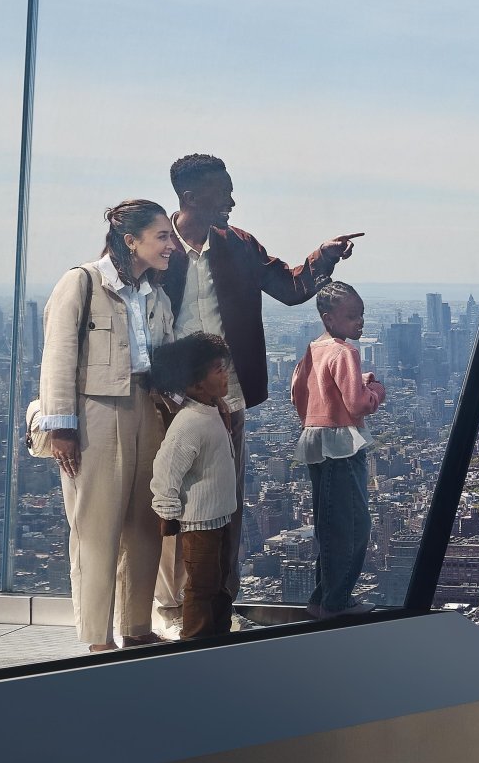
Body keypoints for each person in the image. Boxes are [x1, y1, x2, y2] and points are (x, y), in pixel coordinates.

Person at [153, 152, 358, 633]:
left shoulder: (239, 244)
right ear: (191, 197)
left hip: (229, 399)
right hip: (168, 398)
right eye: (222, 190)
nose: (232, 199)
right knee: (166, 502)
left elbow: (290, 287)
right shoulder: (160, 248)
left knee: (226, 504)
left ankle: (219, 607)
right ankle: (169, 608)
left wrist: (324, 255)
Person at [38, 199, 181, 650]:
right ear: (130, 239)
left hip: (148, 410)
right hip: (96, 414)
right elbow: (58, 354)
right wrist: (62, 427)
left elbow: (168, 357)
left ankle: (136, 629)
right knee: (95, 530)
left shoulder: (155, 295)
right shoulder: (82, 283)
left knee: (145, 525)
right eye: (162, 236)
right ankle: (97, 639)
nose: (170, 245)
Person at [290, 279, 385, 617]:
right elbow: (358, 405)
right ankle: (336, 603)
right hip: (342, 445)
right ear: (329, 318)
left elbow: (297, 392)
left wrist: (316, 418)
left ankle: (321, 598)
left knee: (331, 525)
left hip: (315, 440)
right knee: (355, 527)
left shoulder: (314, 348)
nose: (359, 322)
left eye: (361, 315)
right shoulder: (345, 351)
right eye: (352, 316)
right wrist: (375, 392)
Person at [146, 333, 240, 641]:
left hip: (221, 517)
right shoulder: (188, 422)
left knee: (219, 583)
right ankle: (195, 642)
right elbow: (165, 469)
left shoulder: (213, 411)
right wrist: (167, 513)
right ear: (196, 384)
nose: (225, 373)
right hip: (200, 523)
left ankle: (219, 634)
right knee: (201, 587)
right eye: (217, 369)